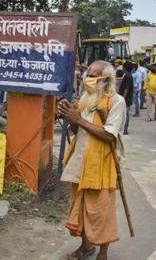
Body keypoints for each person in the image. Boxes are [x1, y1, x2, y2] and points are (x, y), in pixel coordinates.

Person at [58, 60, 127, 260]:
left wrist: (78, 119)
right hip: (80, 162)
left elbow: (109, 135)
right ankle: (85, 247)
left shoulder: (116, 101)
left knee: (101, 212)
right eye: (87, 74)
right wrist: (71, 117)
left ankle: (103, 252)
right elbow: (76, 130)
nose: (87, 79)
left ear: (106, 80)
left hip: (102, 165)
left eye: (92, 75)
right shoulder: (85, 99)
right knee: (81, 209)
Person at [118, 61, 134, 135]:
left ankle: (125, 129)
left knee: (125, 114)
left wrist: (123, 98)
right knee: (124, 113)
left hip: (126, 98)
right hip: (126, 97)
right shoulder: (128, 75)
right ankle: (123, 128)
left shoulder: (128, 76)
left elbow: (126, 89)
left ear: (125, 67)